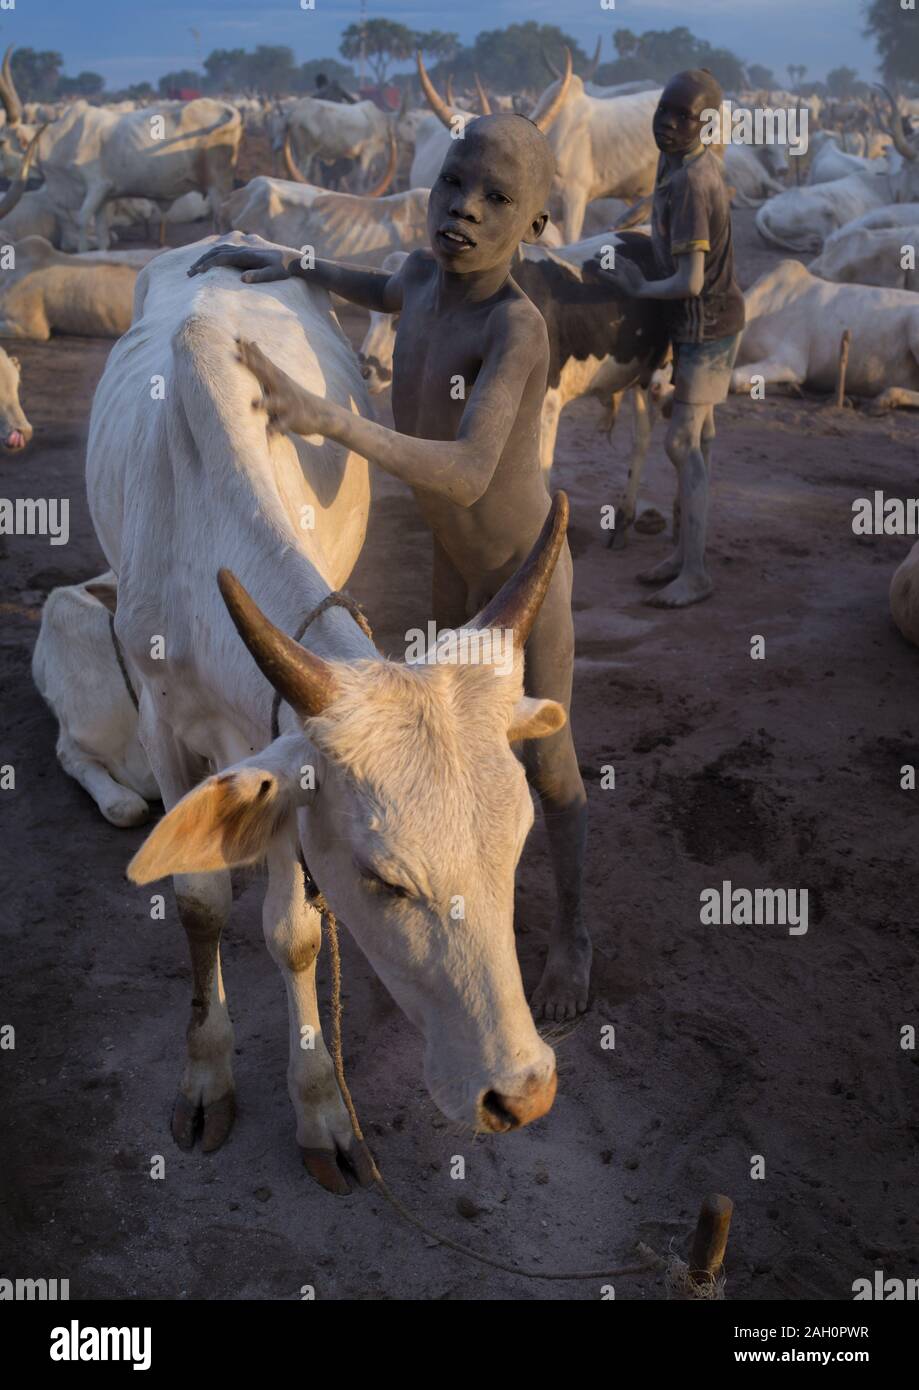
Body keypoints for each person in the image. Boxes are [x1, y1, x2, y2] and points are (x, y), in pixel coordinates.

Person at [187, 114, 591, 1021]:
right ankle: (444, 914)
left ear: (531, 225)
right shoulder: (421, 278)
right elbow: (374, 284)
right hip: (453, 570)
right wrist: (288, 265)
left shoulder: (515, 328)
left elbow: (469, 470)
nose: (463, 211)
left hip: (520, 583)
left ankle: (571, 934)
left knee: (550, 767)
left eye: (495, 201)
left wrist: (331, 420)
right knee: (448, 757)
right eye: (454, 185)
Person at [589, 68, 745, 608]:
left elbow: (692, 280)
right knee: (698, 440)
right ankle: (683, 554)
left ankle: (696, 572)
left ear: (707, 124)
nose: (671, 125)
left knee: (681, 442)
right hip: (699, 323)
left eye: (685, 118)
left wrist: (637, 285)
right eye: (665, 113)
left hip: (708, 325)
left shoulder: (692, 183)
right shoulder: (675, 163)